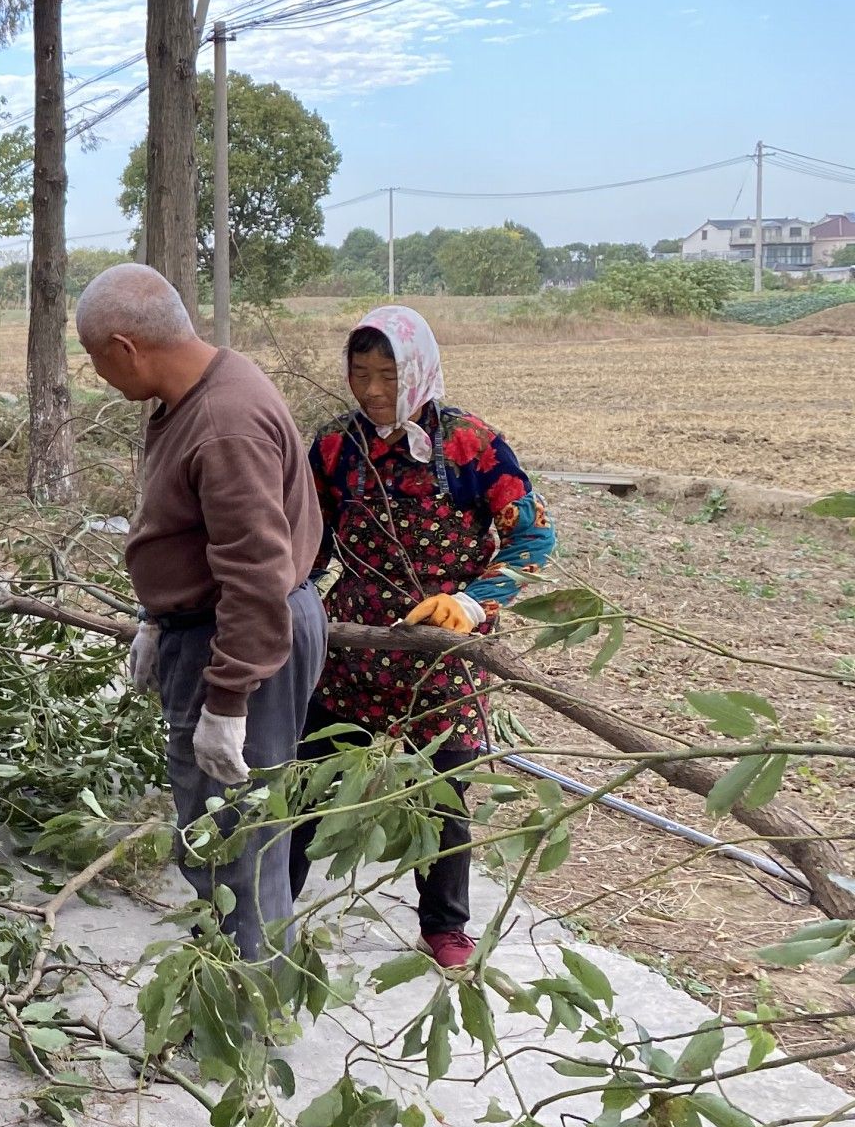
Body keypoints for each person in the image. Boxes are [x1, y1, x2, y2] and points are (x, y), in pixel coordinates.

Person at [290, 306, 556, 971]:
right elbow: (308, 537)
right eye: (360, 374)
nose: (373, 390)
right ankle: (270, 904)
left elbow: (532, 537)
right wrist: (290, 596)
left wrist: (473, 601)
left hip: (444, 652)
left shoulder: (471, 445)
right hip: (354, 648)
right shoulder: (334, 447)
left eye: (389, 374)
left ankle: (444, 926)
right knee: (309, 777)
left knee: (443, 795)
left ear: (421, 370)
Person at [76, 264, 325, 963]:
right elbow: (197, 533)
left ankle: (247, 1002)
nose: (99, 375)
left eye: (97, 359)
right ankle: (229, 971)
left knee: (236, 843)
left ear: (126, 348)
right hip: (210, 628)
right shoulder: (195, 395)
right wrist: (156, 617)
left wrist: (229, 699)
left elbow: (255, 574)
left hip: (243, 638)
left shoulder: (223, 423)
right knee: (219, 833)